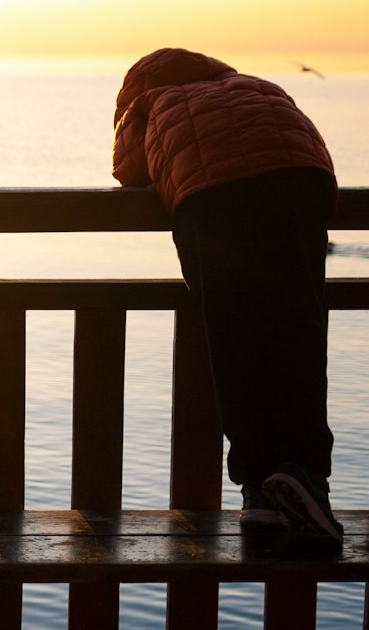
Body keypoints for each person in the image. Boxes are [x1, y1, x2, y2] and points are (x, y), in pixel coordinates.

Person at [112, 47, 340, 543]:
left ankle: (258, 489)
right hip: (296, 185)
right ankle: (306, 479)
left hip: (212, 198)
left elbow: (127, 170)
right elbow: (306, 140)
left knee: (233, 339)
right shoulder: (259, 85)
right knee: (297, 332)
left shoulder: (150, 104)